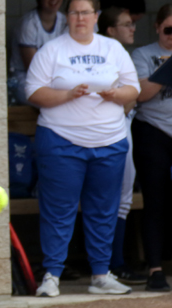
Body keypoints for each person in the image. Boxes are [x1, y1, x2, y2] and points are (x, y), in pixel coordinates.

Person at [26, 0, 140, 297]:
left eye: (86, 12)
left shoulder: (112, 48)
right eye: (74, 12)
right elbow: (34, 92)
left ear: (97, 17)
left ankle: (101, 275)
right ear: (67, 17)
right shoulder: (52, 50)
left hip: (109, 141)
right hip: (61, 140)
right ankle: (52, 276)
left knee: (103, 209)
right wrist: (67, 94)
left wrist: (116, 94)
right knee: (58, 210)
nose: (80, 18)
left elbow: (134, 88)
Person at [97, 7, 147, 285]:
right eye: (125, 25)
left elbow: (131, 97)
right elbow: (125, 99)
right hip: (109, 129)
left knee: (123, 199)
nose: (132, 28)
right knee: (109, 199)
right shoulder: (104, 55)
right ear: (110, 30)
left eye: (132, 24)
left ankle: (116, 262)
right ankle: (111, 263)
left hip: (123, 126)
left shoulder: (122, 55)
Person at [130, 4, 172, 292]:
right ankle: (155, 268)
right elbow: (141, 94)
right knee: (154, 201)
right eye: (169, 29)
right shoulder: (142, 55)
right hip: (153, 132)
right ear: (157, 27)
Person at [9, 0, 67, 106]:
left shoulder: (64, 21)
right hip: (25, 78)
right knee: (53, 101)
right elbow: (33, 69)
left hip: (55, 76)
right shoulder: (29, 23)